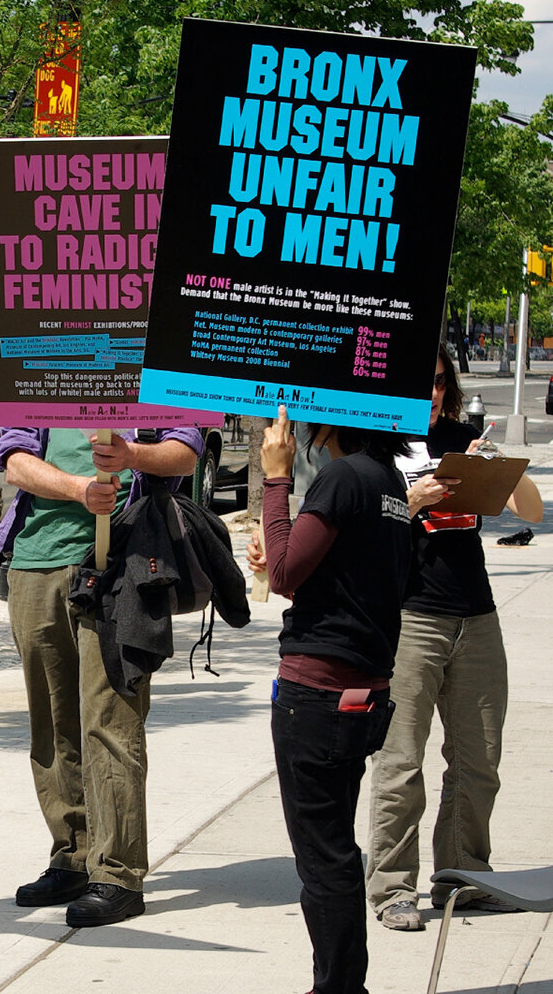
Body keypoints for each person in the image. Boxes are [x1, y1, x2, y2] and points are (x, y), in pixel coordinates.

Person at [0, 425, 202, 927]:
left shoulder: (153, 364)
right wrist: (79, 489)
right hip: (37, 565)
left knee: (110, 721)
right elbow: (14, 458)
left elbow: (186, 453)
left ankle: (118, 874)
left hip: (121, 563)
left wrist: (130, 454)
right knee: (54, 723)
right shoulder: (48, 359)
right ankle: (73, 856)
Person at [366, 349, 543, 931]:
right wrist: (413, 501)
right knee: (400, 760)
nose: (433, 393)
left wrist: (498, 466)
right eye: (423, 383)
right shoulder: (374, 447)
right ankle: (392, 887)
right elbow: (361, 524)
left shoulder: (464, 437)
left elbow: (532, 511)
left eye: (441, 381)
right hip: (412, 615)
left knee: (478, 758)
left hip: (476, 612)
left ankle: (465, 874)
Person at [246, 406, 412, 994]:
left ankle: (339, 987)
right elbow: (375, 574)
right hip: (365, 688)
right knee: (336, 844)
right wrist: (293, 552)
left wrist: (275, 477)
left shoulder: (343, 479)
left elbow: (286, 575)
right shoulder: (389, 480)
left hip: (318, 693)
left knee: (324, 856)